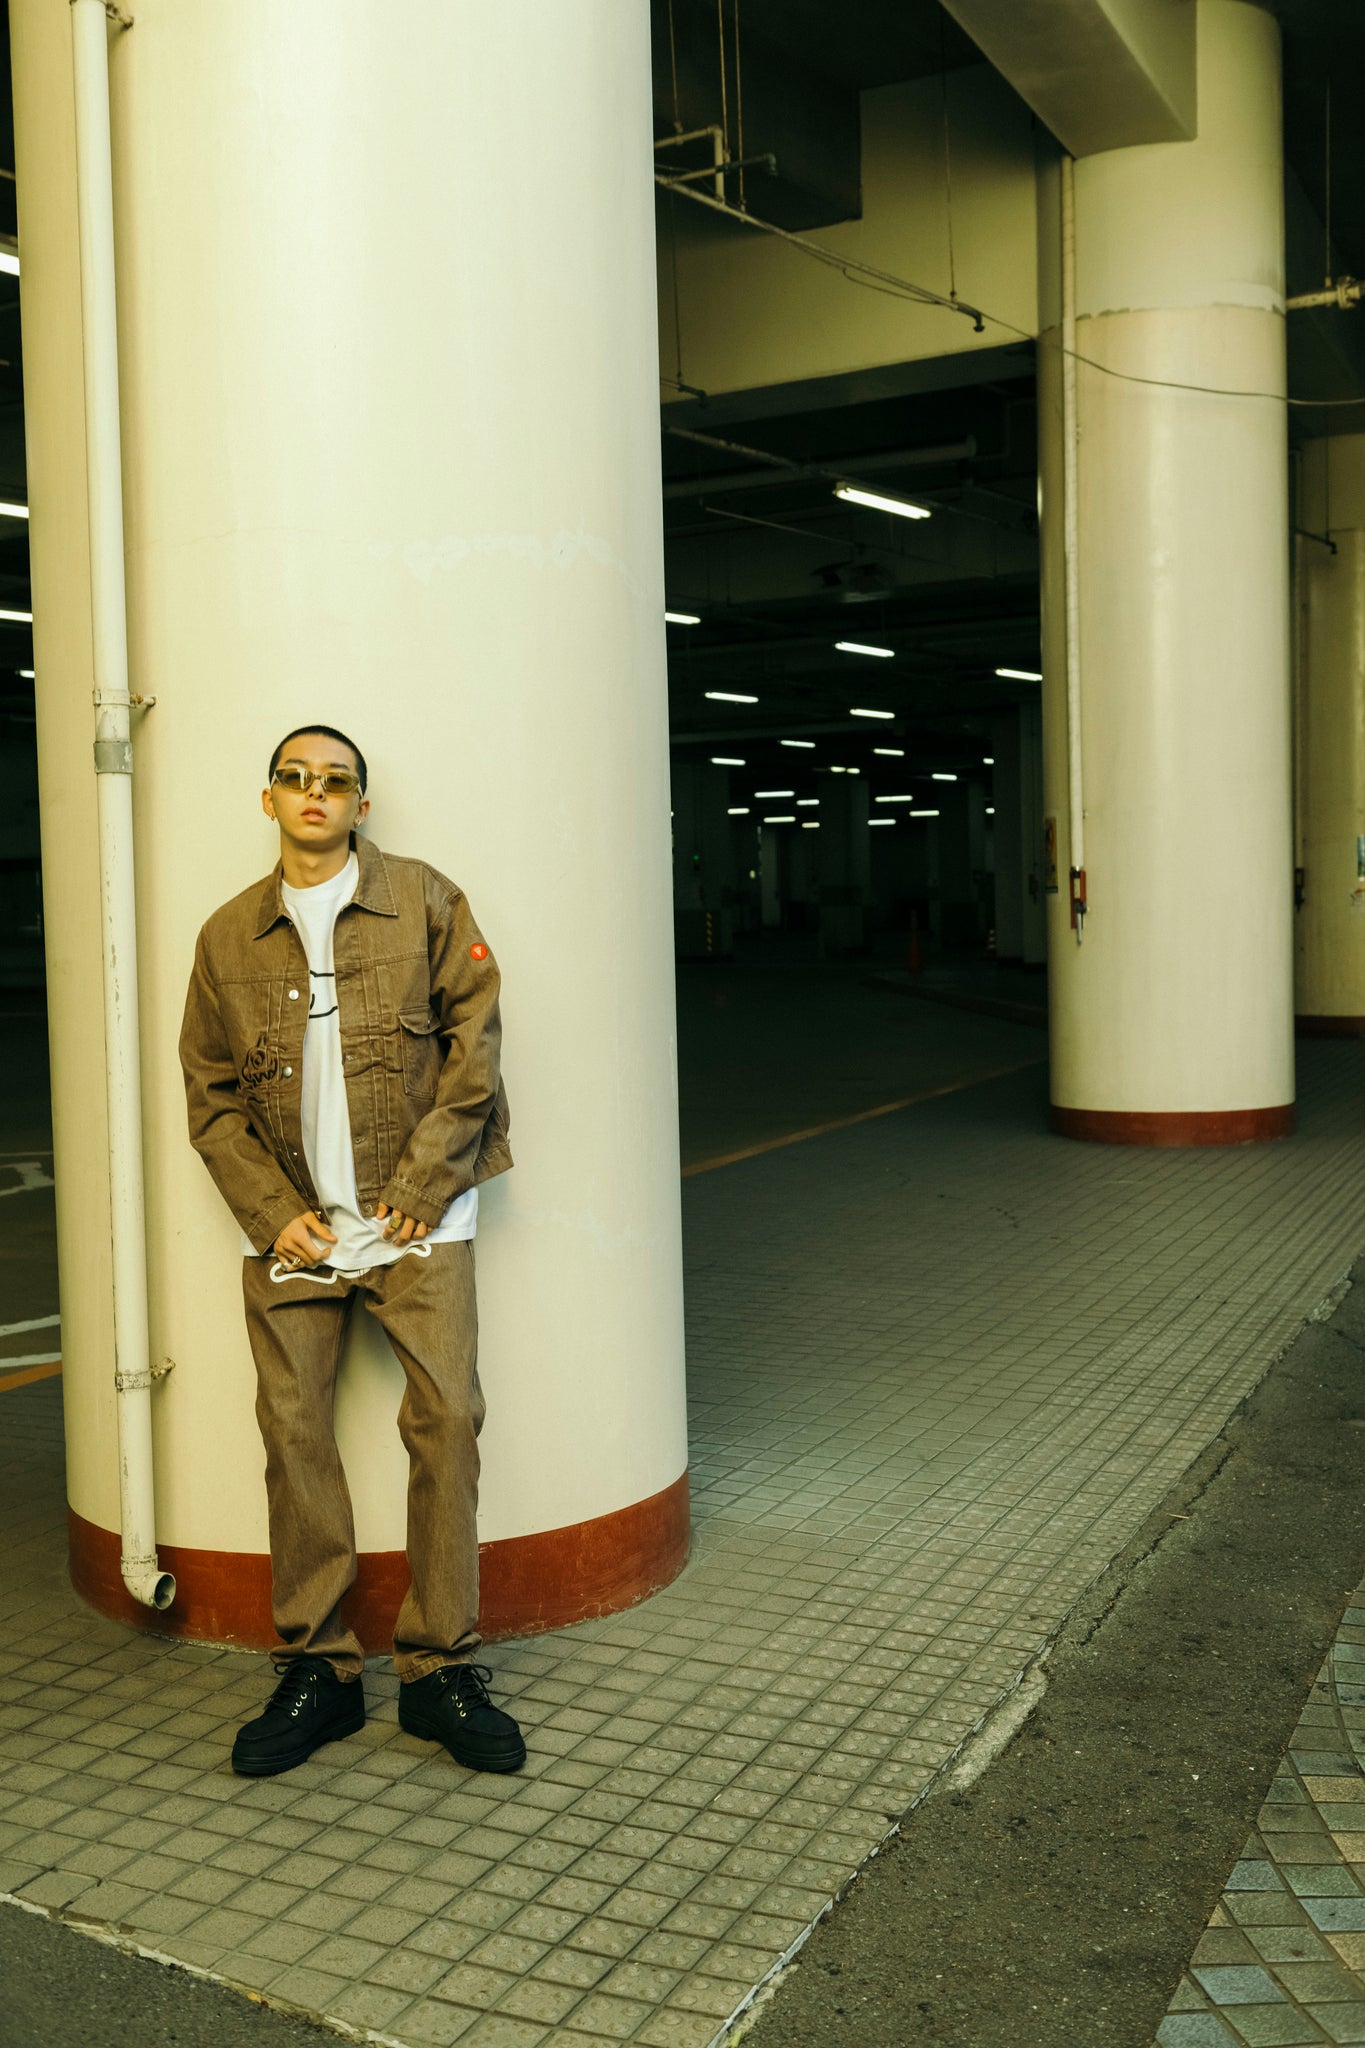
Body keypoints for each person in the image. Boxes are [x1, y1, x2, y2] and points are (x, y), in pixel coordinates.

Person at [179, 725, 524, 1778]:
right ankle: (319, 1669)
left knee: (447, 1422)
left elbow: (475, 1047)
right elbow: (210, 1094)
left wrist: (423, 1184)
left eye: (335, 781)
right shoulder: (228, 936)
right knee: (292, 1431)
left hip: (420, 1220)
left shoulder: (425, 899)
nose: (315, 793)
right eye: (296, 778)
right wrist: (269, 1210)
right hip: (298, 1226)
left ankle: (439, 1667)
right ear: (270, 799)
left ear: (361, 804)